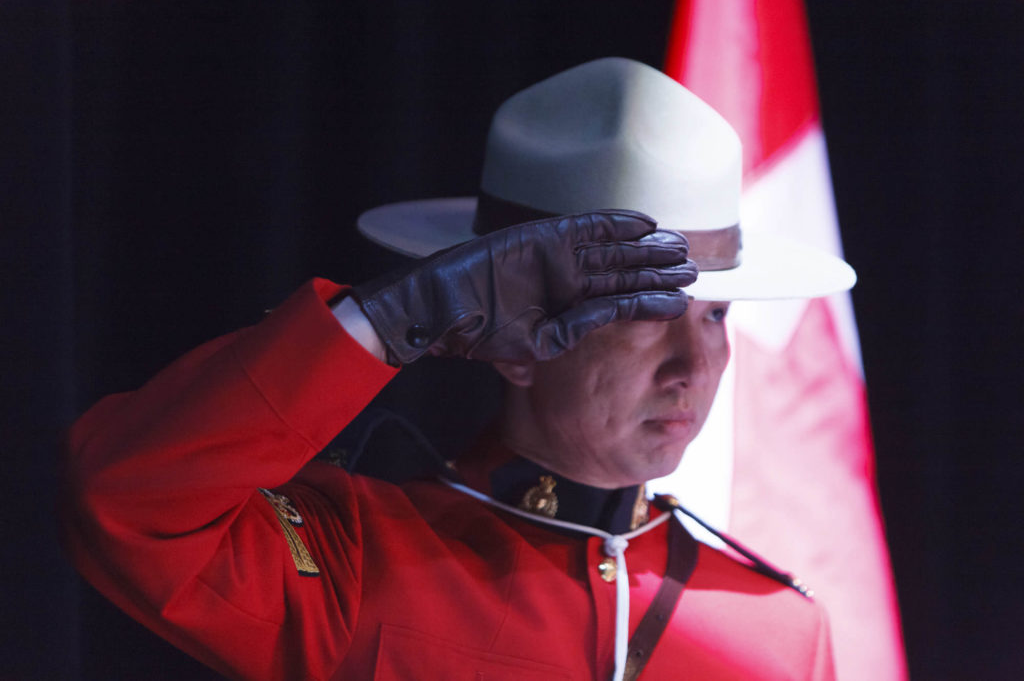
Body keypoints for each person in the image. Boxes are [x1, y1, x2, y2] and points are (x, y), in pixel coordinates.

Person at [61, 58, 855, 680]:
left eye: (716, 315)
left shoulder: (778, 630)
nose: (694, 366)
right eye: (645, 314)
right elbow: (129, 502)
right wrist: (390, 320)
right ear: (517, 341)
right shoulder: (363, 557)